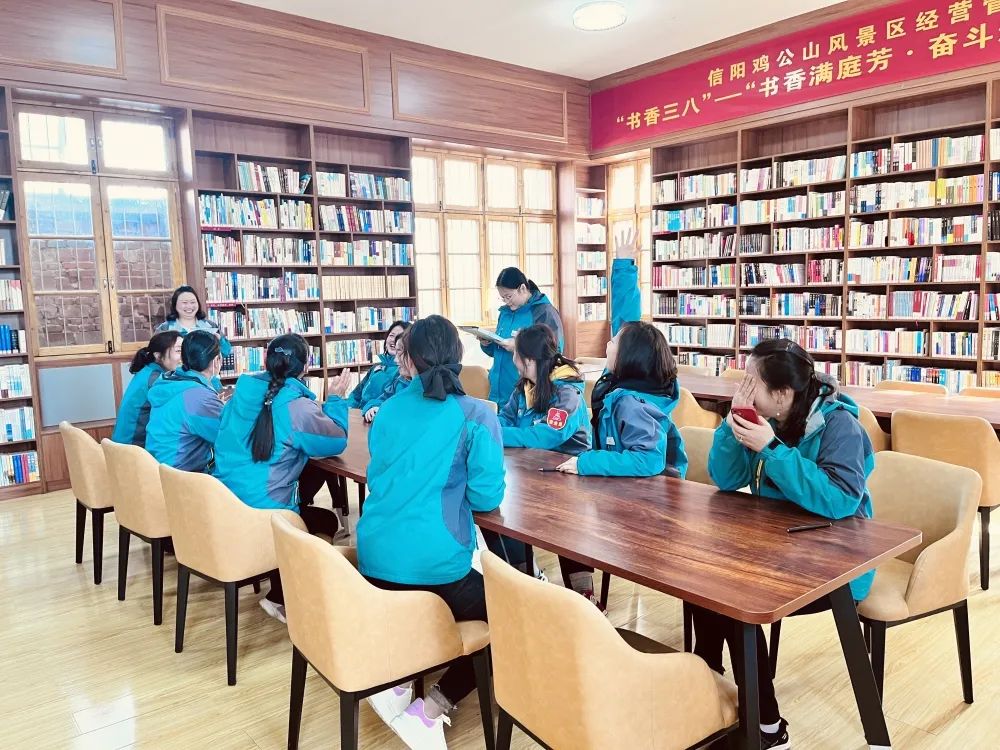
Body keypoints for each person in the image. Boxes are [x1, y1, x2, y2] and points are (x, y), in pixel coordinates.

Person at [691, 338, 876, 750]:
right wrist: (733, 424)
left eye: (751, 381)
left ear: (782, 393)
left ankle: (768, 728)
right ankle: (709, 691)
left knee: (733, 600)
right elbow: (727, 478)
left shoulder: (839, 426)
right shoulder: (768, 418)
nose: (743, 387)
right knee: (701, 581)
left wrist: (771, 450)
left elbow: (840, 500)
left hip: (838, 565)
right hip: (775, 548)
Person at [357, 315, 505, 750]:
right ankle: (431, 710)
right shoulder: (476, 415)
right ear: (458, 356)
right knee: (516, 613)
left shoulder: (387, 410)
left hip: (373, 560)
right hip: (435, 567)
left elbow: (382, 473)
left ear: (408, 359)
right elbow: (486, 496)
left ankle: (399, 680)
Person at [213, 334, 352, 622]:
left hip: (226, 505)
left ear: (266, 361)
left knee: (303, 484)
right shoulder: (296, 406)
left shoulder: (240, 395)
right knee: (325, 520)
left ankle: (283, 583)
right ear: (306, 366)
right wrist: (336, 399)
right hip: (264, 517)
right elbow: (335, 441)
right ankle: (289, 595)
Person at [498, 324, 590, 454]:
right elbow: (505, 418)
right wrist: (486, 428)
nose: (513, 360)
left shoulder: (568, 395)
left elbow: (545, 437)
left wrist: (496, 433)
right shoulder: (525, 387)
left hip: (567, 463)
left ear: (529, 360)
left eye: (515, 353)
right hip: (531, 459)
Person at [478, 267, 563, 407]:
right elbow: (497, 352)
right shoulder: (505, 313)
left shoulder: (544, 312)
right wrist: (487, 343)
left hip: (525, 391)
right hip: (498, 391)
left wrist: (519, 347)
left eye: (509, 296)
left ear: (522, 288)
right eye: (503, 298)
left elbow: (554, 352)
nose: (506, 302)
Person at [145, 330, 224, 473]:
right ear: (216, 360)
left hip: (158, 470)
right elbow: (228, 437)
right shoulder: (200, 397)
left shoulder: (169, 381)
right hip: (181, 477)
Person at [111, 331, 182, 447]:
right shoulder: (157, 379)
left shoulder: (148, 371)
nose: (184, 356)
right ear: (158, 355)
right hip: (133, 449)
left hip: (121, 445)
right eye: (178, 351)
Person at [346, 321, 411, 410]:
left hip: (376, 414)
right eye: (391, 335)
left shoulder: (404, 372)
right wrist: (349, 407)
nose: (393, 340)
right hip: (359, 413)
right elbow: (356, 393)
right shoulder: (376, 367)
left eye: (399, 336)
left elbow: (390, 400)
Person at [156, 285, 233, 357]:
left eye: (193, 302)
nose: (189, 306)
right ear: (175, 305)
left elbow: (226, 352)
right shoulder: (165, 328)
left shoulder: (210, 326)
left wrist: (219, 340)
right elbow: (157, 356)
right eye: (184, 303)